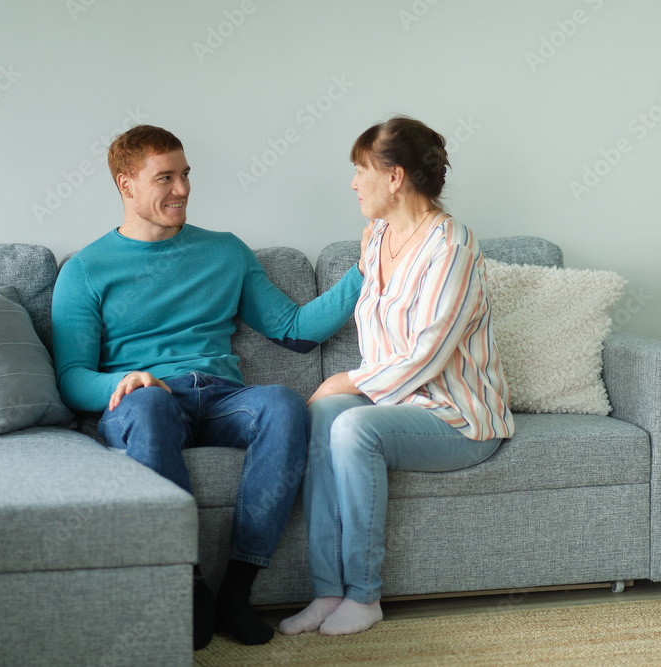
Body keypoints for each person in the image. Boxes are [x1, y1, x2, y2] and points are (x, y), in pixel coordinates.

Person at [51, 124, 364, 649]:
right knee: (149, 406)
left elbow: (295, 331)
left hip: (221, 396)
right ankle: (187, 587)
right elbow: (70, 379)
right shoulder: (84, 270)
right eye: (165, 178)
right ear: (126, 185)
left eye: (186, 174)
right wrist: (125, 381)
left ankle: (236, 593)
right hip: (145, 402)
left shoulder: (225, 251)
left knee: (285, 404)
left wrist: (366, 269)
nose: (182, 189)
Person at [279, 116, 514, 637]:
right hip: (399, 408)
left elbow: (427, 353)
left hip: (459, 417)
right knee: (321, 414)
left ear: (394, 177)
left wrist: (349, 380)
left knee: (352, 424)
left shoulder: (452, 247)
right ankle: (327, 591)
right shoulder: (377, 237)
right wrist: (342, 390)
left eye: (361, 169)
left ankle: (364, 596)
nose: (353, 182)